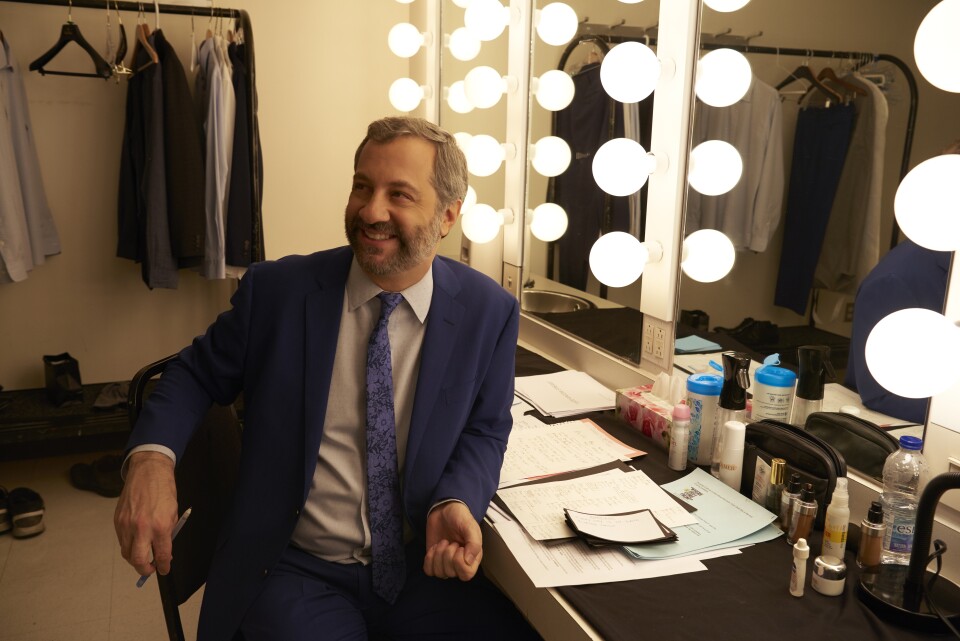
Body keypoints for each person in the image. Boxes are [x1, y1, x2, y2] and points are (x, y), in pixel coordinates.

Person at [114, 116, 539, 640]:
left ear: (448, 215)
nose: (372, 211)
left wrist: (456, 499)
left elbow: (485, 428)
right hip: (294, 567)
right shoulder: (278, 292)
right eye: (362, 186)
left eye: (399, 194)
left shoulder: (489, 312)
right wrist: (151, 461)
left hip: (421, 567)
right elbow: (193, 373)